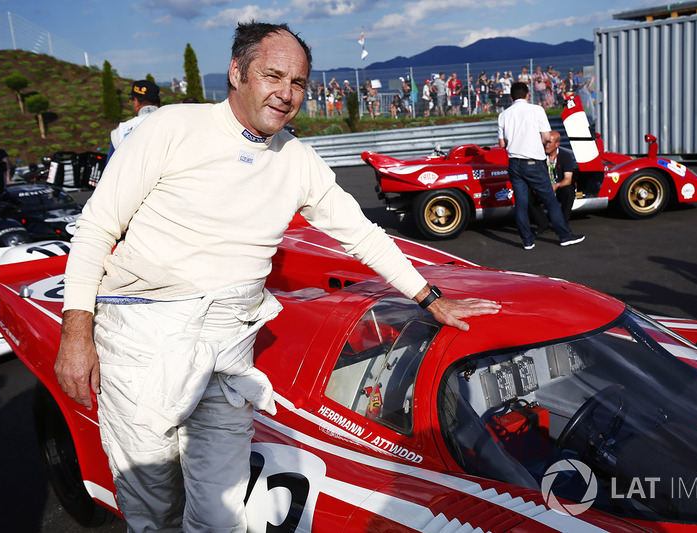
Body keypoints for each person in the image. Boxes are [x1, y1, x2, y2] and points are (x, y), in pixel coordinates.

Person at [54, 21, 500, 532]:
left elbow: (363, 235)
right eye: (273, 76)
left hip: (231, 344)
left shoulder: (298, 160)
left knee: (221, 515)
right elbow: (95, 229)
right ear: (237, 73)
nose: (286, 95)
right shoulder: (170, 128)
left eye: (299, 84)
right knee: (153, 510)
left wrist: (432, 299)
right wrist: (76, 335)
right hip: (142, 340)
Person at [498, 82, 584, 250]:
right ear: (528, 95)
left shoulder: (504, 115)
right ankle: (564, 236)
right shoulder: (537, 110)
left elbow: (502, 143)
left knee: (521, 203)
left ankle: (527, 240)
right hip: (533, 162)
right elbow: (546, 137)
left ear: (511, 98)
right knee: (550, 200)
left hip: (514, 163)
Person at [529, 130, 577, 233]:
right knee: (528, 193)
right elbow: (534, 175)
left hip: (558, 187)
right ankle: (543, 224)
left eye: (549, 142)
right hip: (543, 187)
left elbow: (568, 179)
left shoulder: (565, 156)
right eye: (545, 142)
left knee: (569, 191)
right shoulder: (538, 156)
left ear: (557, 144)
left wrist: (556, 185)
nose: (546, 145)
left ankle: (563, 224)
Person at [107, 80, 160, 162]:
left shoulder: (122, 130)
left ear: (136, 101)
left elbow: (110, 169)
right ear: (157, 102)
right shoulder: (175, 123)